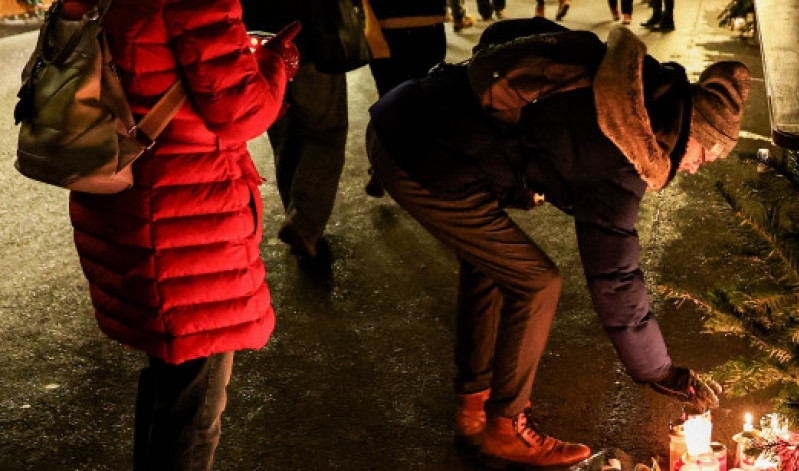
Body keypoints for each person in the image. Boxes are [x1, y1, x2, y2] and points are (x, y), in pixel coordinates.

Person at [366, 18, 748, 469]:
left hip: (411, 117)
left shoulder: (619, 78)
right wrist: (661, 371)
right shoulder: (623, 149)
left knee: (492, 265)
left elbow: (501, 37)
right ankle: (506, 428)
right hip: (424, 157)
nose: (695, 168)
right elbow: (616, 277)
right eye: (704, 155)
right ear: (688, 132)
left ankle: (474, 410)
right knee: (536, 282)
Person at [62, 0, 295, 468]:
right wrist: (276, 64)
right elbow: (242, 112)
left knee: (171, 381)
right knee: (195, 404)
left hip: (128, 194)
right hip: (186, 216)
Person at [242, 0, 355, 271]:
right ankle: (303, 224)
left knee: (284, 138)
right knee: (325, 134)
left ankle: (299, 220)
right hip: (310, 45)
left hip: (258, 47)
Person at [362, 0, 448, 197]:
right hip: (428, 26)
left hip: (386, 28)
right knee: (422, 102)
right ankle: (417, 169)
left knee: (390, 103)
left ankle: (384, 167)